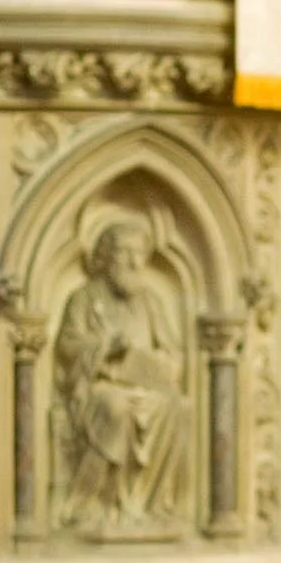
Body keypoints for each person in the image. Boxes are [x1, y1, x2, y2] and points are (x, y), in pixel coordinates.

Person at [54, 218, 189, 530]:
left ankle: (153, 503)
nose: (133, 262)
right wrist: (105, 348)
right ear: (105, 257)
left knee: (177, 407)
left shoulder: (150, 302)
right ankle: (92, 503)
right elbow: (67, 346)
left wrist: (161, 364)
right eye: (124, 252)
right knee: (116, 409)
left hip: (144, 387)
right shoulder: (84, 298)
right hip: (99, 387)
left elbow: (173, 349)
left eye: (139, 253)